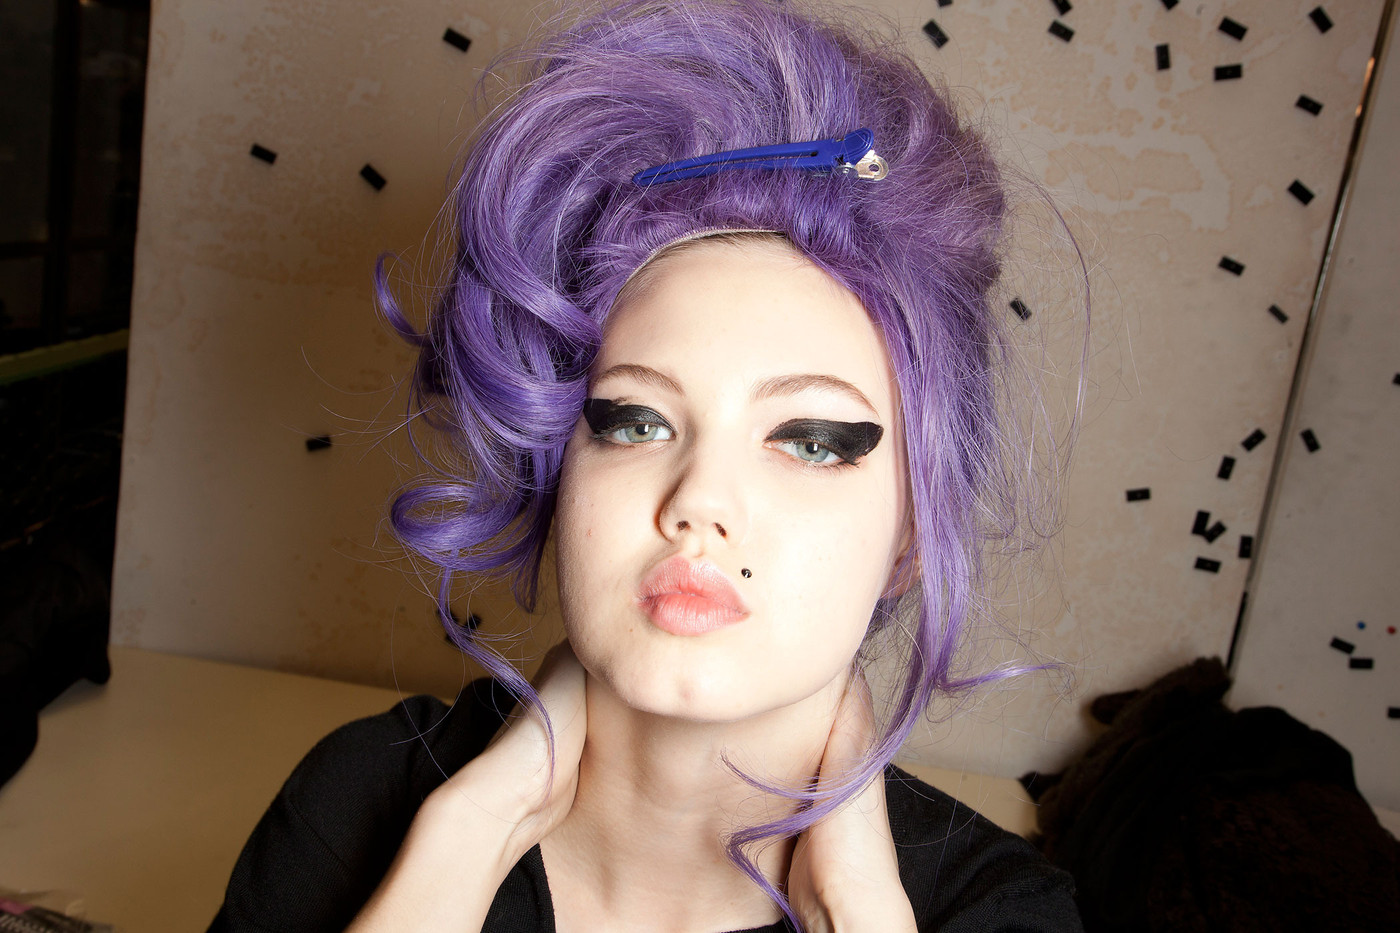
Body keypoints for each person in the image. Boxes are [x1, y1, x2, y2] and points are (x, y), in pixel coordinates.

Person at [209, 0, 1086, 930]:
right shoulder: (358, 806)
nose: (699, 500)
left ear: (912, 535)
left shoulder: (1005, 913)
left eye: (810, 441)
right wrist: (456, 851)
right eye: (635, 422)